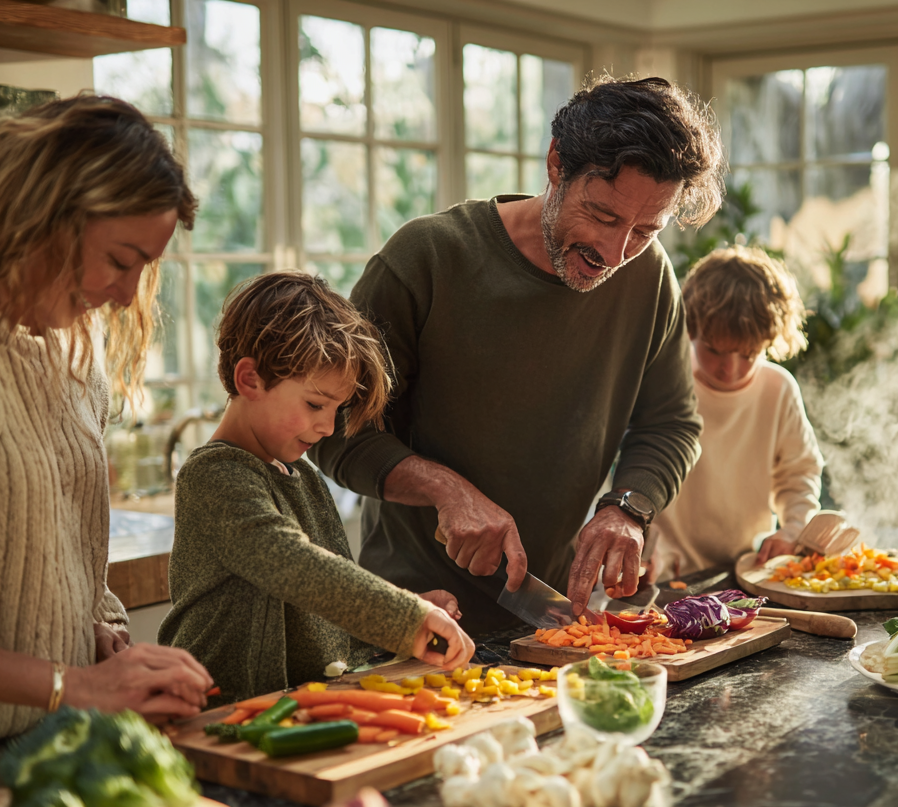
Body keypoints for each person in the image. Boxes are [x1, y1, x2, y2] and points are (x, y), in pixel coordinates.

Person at [311, 75, 727, 630]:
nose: (614, 251)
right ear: (557, 163)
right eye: (603, 216)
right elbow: (338, 428)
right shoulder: (427, 259)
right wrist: (444, 489)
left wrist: (626, 508)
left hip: (544, 616)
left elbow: (671, 424)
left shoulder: (649, 280)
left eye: (645, 230)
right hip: (412, 610)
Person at [0, 96, 214, 751]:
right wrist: (70, 685)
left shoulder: (72, 345)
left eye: (146, 268)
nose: (129, 296)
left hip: (46, 749)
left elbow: (71, 549)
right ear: (44, 215)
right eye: (121, 259)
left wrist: (98, 632)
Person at [158, 272, 475, 700]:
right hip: (215, 713)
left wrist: (405, 612)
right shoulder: (214, 475)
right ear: (249, 379)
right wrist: (404, 615)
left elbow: (324, 605)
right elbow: (288, 563)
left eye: (336, 409)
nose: (327, 427)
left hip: (291, 711)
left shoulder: (304, 476)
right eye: (314, 404)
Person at [652, 245, 824, 579]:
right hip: (665, 572)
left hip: (747, 570)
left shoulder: (778, 388)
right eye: (714, 350)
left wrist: (792, 529)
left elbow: (799, 473)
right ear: (691, 328)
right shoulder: (665, 376)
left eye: (748, 354)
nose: (730, 369)